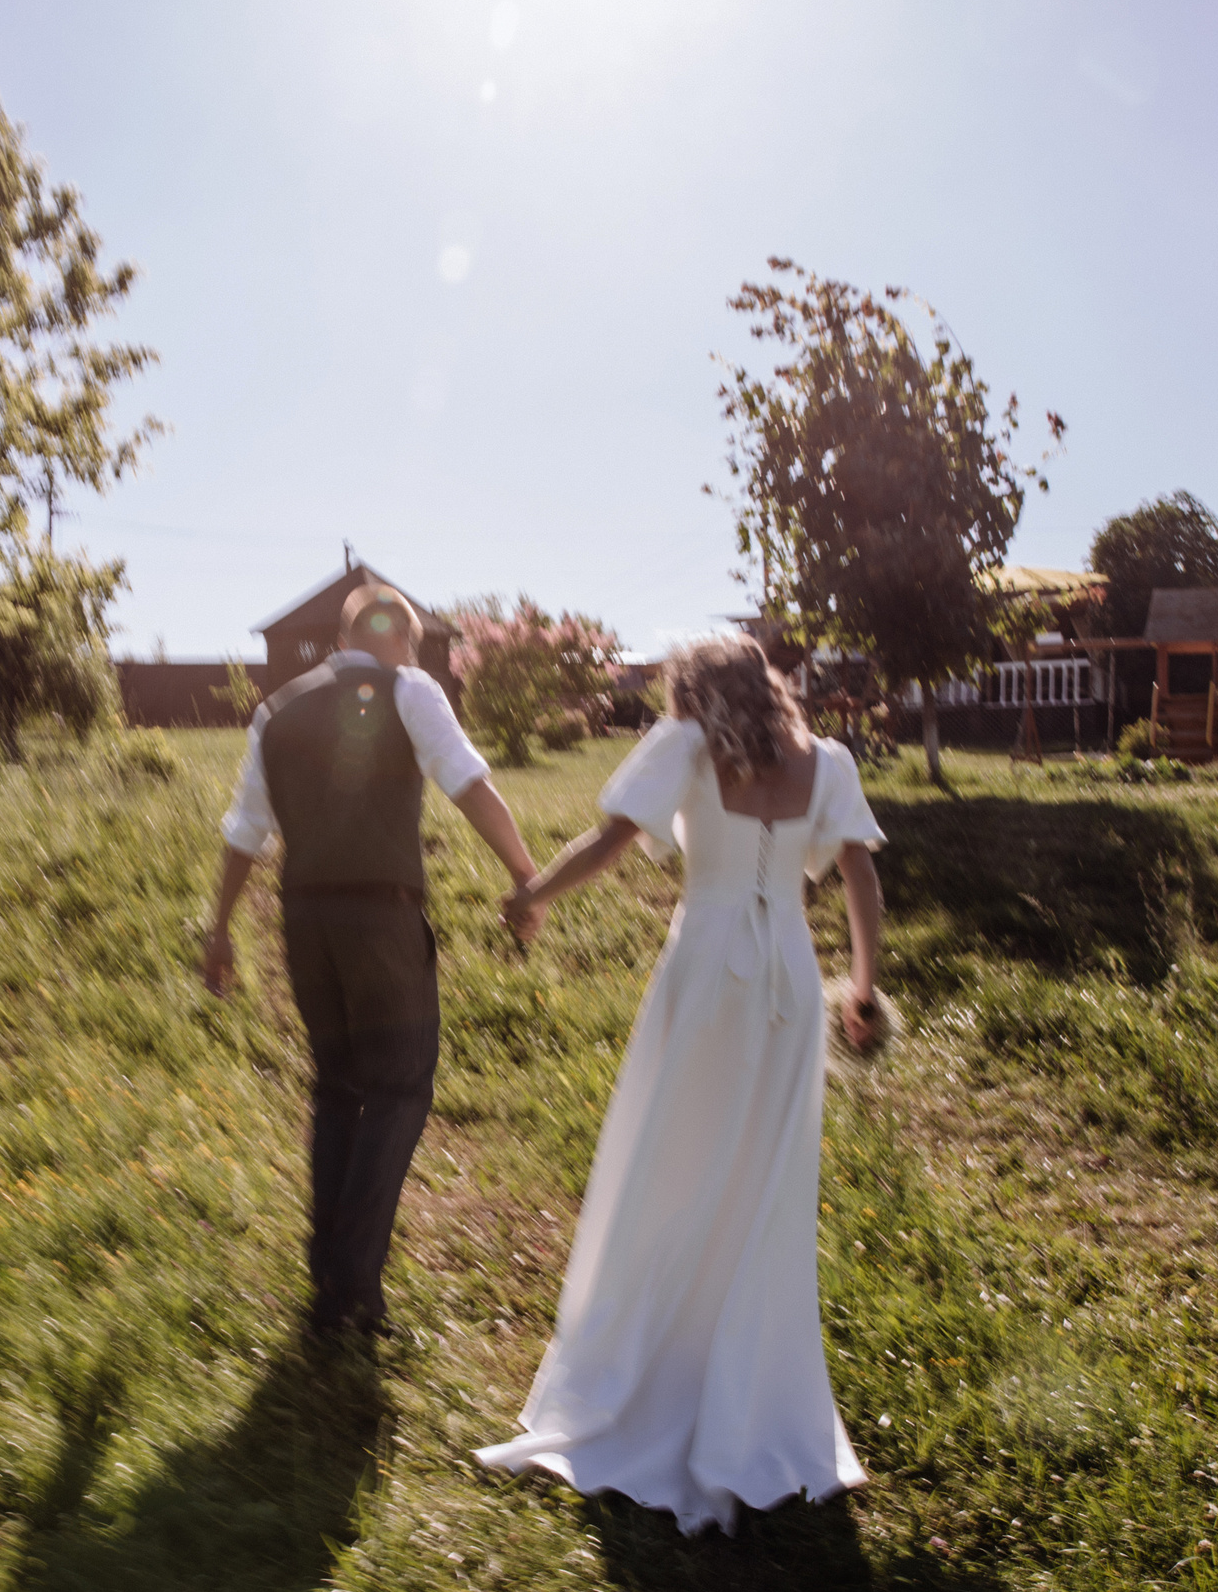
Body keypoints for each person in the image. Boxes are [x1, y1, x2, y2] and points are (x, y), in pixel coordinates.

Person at [474, 632, 886, 1532]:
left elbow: (614, 839)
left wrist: (534, 892)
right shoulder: (832, 762)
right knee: (762, 1186)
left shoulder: (688, 744)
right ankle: (744, 1395)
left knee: (669, 1164)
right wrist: (861, 984)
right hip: (788, 985)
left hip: (707, 976)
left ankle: (652, 1370)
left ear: (692, 691)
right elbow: (859, 869)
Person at [203, 582, 539, 1340]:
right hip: (381, 918)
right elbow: (468, 782)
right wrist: (526, 875)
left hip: (305, 918)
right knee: (399, 1088)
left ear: (342, 634)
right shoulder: (409, 688)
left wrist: (220, 930)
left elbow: (245, 830)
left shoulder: (275, 708)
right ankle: (353, 1283)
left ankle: (331, 1280)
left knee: (337, 1090)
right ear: (402, 640)